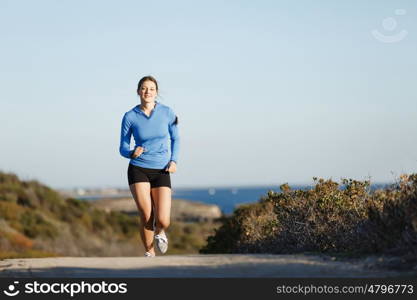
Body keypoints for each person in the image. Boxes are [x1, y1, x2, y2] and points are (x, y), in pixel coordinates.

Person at [119, 75, 179, 257]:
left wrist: (174, 160)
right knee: (146, 214)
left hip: (162, 169)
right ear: (138, 91)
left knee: (163, 219)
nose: (147, 92)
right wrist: (131, 152)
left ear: (156, 92)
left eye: (151, 89)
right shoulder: (130, 116)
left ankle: (161, 232)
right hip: (139, 168)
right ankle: (149, 252)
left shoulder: (168, 113)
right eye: (144, 88)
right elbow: (122, 146)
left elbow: (176, 138)